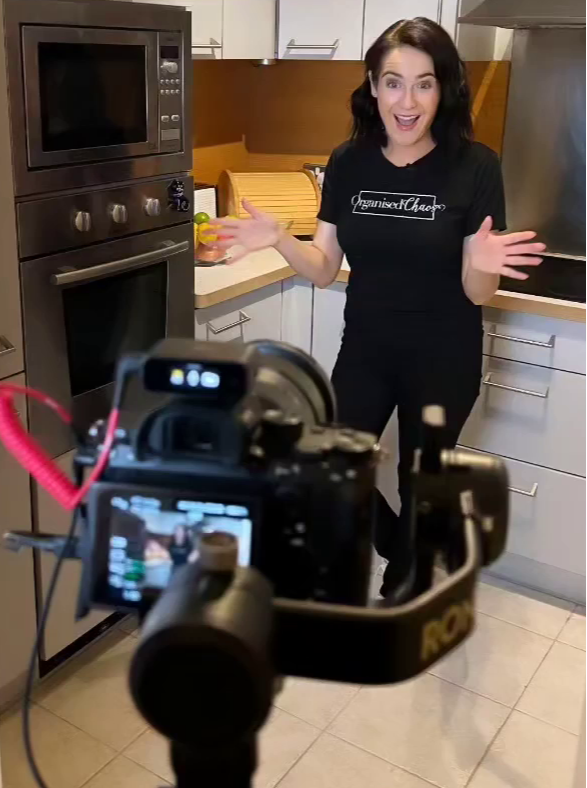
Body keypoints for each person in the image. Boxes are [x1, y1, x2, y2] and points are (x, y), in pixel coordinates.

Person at [213, 18, 545, 597]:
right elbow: (324, 268)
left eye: (423, 83)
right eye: (393, 82)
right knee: (332, 466)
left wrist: (484, 260)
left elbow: (477, 292)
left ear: (443, 89)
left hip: (444, 355)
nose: (407, 102)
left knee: (421, 481)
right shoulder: (349, 161)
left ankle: (406, 580)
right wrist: (280, 239)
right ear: (373, 86)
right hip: (366, 349)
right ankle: (394, 541)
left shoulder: (476, 166)